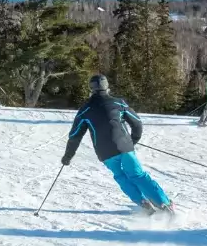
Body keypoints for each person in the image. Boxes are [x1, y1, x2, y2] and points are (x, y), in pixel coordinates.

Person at [61, 74, 174, 215]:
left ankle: (143, 203)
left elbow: (75, 135)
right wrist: (132, 141)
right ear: (107, 87)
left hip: (105, 152)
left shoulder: (85, 110)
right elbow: (137, 123)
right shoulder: (118, 103)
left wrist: (68, 155)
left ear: (91, 89)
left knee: (120, 176)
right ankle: (164, 203)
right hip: (124, 147)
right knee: (137, 175)